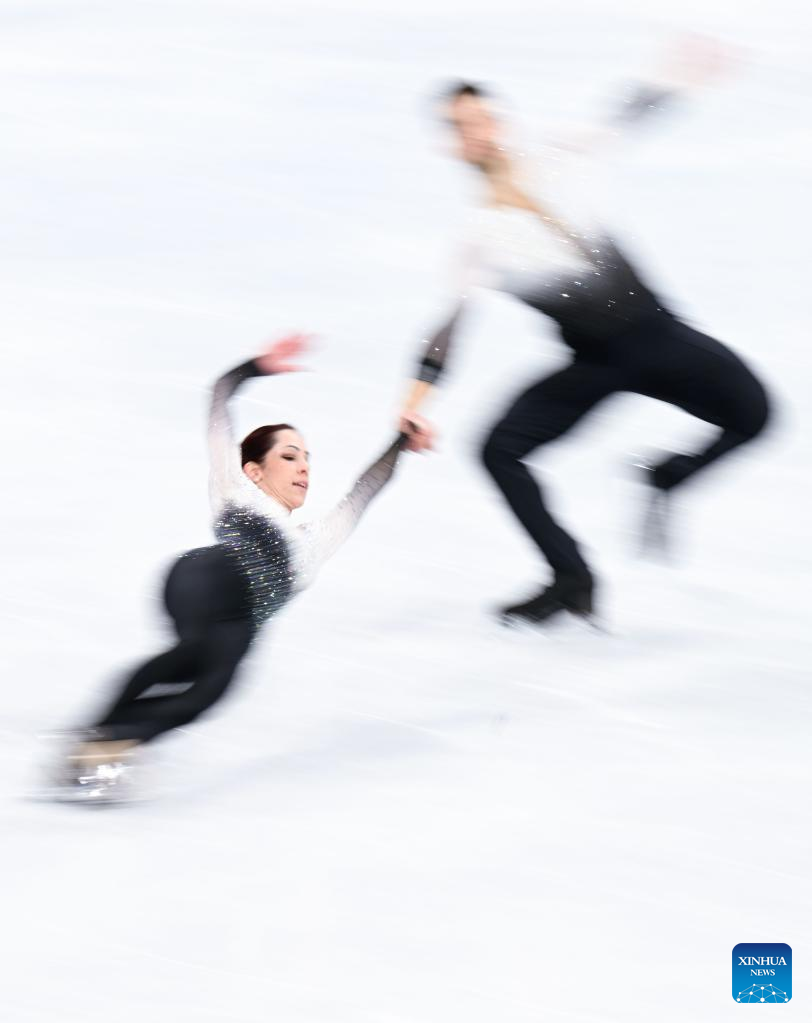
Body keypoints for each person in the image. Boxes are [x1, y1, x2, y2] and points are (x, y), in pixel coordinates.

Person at [399, 36, 770, 627]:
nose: (478, 131)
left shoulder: (560, 156)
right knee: (499, 451)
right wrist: (416, 404)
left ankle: (668, 476)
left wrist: (681, 74)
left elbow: (626, 114)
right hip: (595, 363)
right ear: (452, 143)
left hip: (660, 338)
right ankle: (571, 578)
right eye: (462, 125)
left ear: (499, 121)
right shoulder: (478, 238)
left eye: (483, 117)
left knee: (756, 414)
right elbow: (448, 328)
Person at [51, 333, 433, 801]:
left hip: (234, 619)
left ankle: (99, 743)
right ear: (255, 470)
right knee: (198, 665)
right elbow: (218, 398)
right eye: (288, 456)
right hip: (206, 578)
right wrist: (253, 367)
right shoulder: (237, 490)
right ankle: (100, 740)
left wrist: (401, 442)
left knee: (201, 682)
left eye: (307, 459)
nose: (303, 467)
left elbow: (365, 490)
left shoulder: (315, 541)